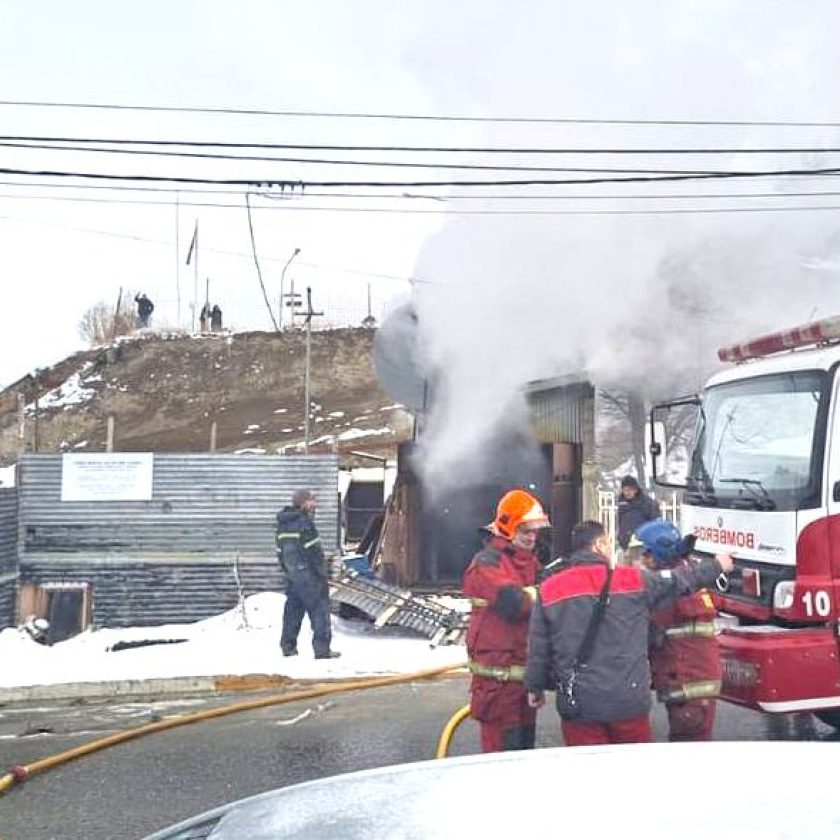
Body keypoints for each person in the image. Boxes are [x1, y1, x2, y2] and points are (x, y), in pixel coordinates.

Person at [525, 520, 732, 747]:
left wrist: (535, 687)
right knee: (631, 774)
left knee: (586, 774)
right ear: (600, 544)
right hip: (628, 702)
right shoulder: (631, 581)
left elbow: (538, 648)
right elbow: (679, 580)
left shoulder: (549, 589)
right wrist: (717, 565)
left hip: (579, 704)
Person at [463, 489, 549, 752]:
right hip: (496, 685)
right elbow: (514, 603)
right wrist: (548, 591)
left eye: (535, 531)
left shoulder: (528, 563)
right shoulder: (486, 563)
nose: (532, 537)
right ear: (508, 527)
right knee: (499, 761)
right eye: (526, 531)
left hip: (522, 681)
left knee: (523, 753)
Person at [635, 519, 722, 741]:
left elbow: (644, 633)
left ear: (658, 554)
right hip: (687, 683)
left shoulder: (669, 592)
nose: (640, 560)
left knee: (688, 749)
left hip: (689, 688)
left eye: (645, 554)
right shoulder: (683, 579)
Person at [276, 489, 340, 660]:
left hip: (293, 576)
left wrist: (289, 572)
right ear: (303, 503)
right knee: (320, 611)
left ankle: (288, 647)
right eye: (312, 501)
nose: (315, 505)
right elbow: (314, 553)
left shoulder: (283, 525)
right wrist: (322, 574)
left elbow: (280, 552)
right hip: (310, 577)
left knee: (292, 612)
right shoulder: (305, 523)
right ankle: (322, 650)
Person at [616, 475, 659, 558]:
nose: (627, 493)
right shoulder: (622, 503)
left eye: (629, 490)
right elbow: (620, 521)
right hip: (625, 544)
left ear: (635, 490)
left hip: (641, 546)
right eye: (624, 490)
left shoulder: (647, 503)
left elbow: (654, 523)